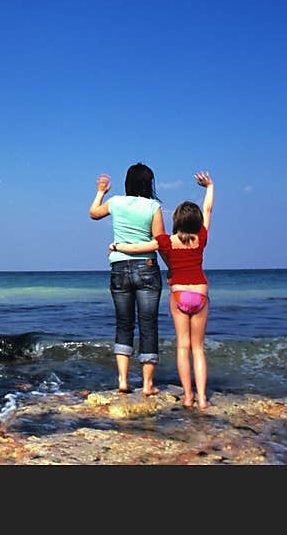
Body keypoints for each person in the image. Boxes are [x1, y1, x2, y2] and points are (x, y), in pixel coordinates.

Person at [110, 171, 214, 410]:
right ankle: (202, 399)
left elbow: (142, 247)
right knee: (198, 349)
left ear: (176, 221)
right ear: (196, 222)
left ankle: (187, 396)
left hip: (178, 294)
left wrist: (117, 246)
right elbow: (207, 210)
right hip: (200, 293)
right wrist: (209, 187)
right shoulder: (202, 237)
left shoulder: (167, 241)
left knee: (182, 347)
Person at [89, 163, 165, 396]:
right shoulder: (153, 206)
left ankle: (122, 380)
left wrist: (102, 191)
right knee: (148, 325)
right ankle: (148, 385)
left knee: (123, 323)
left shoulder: (116, 202)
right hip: (147, 267)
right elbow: (159, 242)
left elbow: (93, 213)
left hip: (119, 267)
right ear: (149, 183)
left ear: (127, 182)